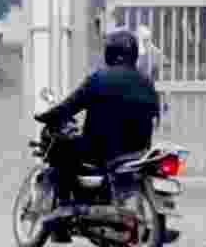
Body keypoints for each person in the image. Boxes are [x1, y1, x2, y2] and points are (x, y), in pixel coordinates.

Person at [35, 29, 167, 243]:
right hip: (138, 150)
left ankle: (64, 209)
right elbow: (155, 114)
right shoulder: (147, 82)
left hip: (100, 150)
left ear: (110, 52)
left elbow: (70, 106)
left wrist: (46, 117)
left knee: (61, 147)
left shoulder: (99, 78)